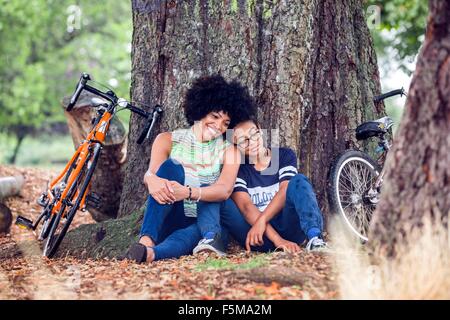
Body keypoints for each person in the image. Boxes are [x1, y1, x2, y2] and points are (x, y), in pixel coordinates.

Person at [124, 75, 256, 263]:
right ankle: (146, 240)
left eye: (226, 122)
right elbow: (153, 174)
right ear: (201, 110)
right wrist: (150, 178)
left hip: (207, 221)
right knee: (172, 166)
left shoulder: (229, 150)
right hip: (173, 212)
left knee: (195, 231)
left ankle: (150, 253)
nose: (219, 126)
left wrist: (186, 192)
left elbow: (225, 190)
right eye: (215, 116)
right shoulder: (167, 139)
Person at [196, 118, 328, 254]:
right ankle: (211, 240)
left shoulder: (283, 156)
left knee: (299, 180)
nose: (251, 142)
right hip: (256, 237)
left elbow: (284, 190)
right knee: (209, 191)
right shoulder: (239, 169)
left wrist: (262, 221)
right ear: (235, 144)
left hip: (288, 229)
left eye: (254, 134)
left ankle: (315, 238)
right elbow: (246, 207)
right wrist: (277, 240)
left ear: (260, 130)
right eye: (243, 140)